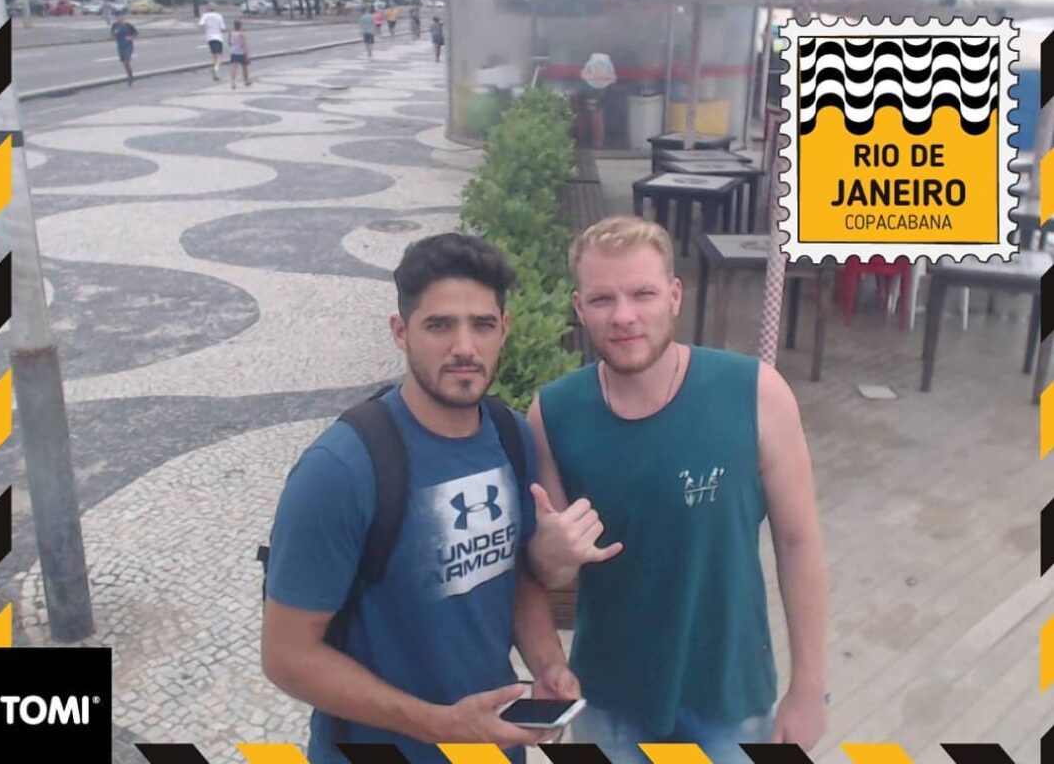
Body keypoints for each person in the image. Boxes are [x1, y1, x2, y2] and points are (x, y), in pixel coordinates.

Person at [262, 233, 581, 764]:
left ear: (504, 329)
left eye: (482, 325)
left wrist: (548, 664)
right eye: (439, 325)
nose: (464, 347)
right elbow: (287, 656)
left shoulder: (511, 437)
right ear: (400, 332)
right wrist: (438, 725)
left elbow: (517, 576)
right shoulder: (340, 470)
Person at [526, 216, 828, 764]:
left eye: (642, 294)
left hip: (731, 697)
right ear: (579, 308)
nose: (624, 316)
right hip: (609, 700)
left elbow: (798, 542)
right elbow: (554, 572)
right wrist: (547, 554)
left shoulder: (756, 393)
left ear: (674, 296)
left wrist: (808, 688)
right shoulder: (553, 413)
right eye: (602, 299)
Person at [198, 3, 227, 81]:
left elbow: (201, 24)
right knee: (219, 56)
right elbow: (223, 28)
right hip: (218, 37)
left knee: (214, 55)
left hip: (209, 38)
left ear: (208, 8)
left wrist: (206, 28)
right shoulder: (218, 16)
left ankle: (215, 70)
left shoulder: (205, 16)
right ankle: (216, 69)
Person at [110, 15, 138, 87]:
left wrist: (131, 37)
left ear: (123, 18)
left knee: (126, 62)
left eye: (121, 17)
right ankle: (130, 75)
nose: (120, 19)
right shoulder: (115, 25)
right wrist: (114, 34)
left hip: (128, 46)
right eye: (118, 17)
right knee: (124, 63)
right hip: (120, 46)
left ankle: (130, 78)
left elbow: (135, 33)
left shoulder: (128, 25)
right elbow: (112, 34)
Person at [228, 19, 251, 89]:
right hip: (241, 52)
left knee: (234, 67)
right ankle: (246, 81)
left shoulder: (231, 33)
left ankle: (233, 82)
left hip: (233, 52)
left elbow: (229, 43)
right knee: (244, 67)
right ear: (240, 26)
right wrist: (247, 54)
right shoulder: (242, 34)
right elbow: (244, 44)